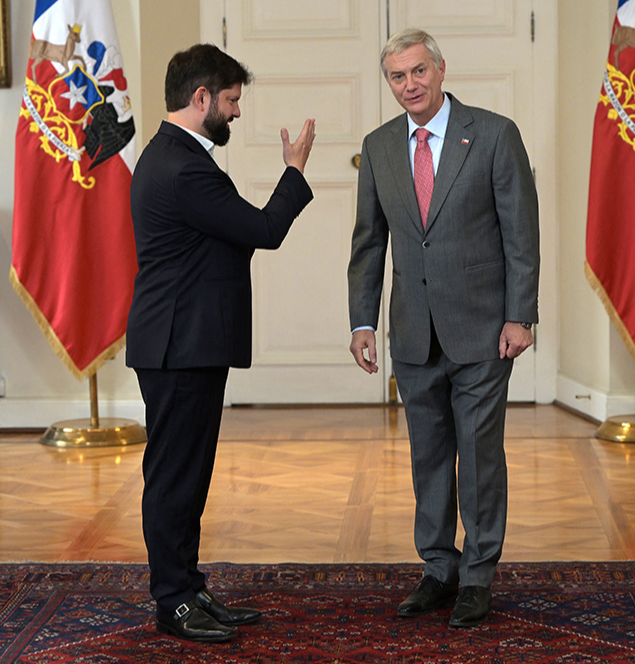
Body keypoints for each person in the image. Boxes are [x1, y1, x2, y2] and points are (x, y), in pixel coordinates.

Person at [347, 28, 539, 628]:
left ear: (440, 69)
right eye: (397, 76)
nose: (410, 85)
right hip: (412, 332)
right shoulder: (379, 146)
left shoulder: (494, 134)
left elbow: (521, 233)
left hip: (484, 329)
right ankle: (438, 568)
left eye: (418, 71)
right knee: (428, 455)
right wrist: (362, 320)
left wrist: (520, 315)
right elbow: (368, 243)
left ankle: (478, 576)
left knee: (479, 457)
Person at [126, 43, 316, 643]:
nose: (236, 111)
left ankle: (189, 587)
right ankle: (173, 601)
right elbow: (264, 229)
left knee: (187, 476)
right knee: (175, 479)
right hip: (180, 345)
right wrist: (294, 170)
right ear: (201, 96)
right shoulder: (184, 167)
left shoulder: (172, 155)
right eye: (231, 100)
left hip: (185, 342)